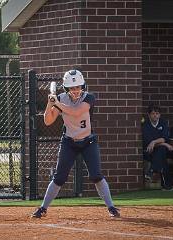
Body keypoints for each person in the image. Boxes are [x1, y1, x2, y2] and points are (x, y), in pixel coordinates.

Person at [31, 69, 120, 218]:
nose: (75, 90)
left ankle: (111, 207)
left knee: (96, 175)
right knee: (59, 177)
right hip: (69, 142)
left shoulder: (89, 98)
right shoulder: (60, 99)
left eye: (78, 87)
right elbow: (47, 121)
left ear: (82, 86)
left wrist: (57, 104)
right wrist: (50, 103)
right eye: (72, 88)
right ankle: (43, 208)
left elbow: (76, 112)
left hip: (88, 142)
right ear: (67, 88)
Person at [142, 105, 173, 191]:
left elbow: (164, 138)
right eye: (153, 113)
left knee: (161, 152)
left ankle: (151, 171)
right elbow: (148, 143)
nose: (155, 115)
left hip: (159, 152)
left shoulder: (163, 123)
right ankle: (168, 185)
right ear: (149, 115)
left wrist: (154, 142)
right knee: (162, 153)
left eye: (157, 113)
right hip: (149, 152)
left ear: (160, 115)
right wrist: (165, 144)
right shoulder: (145, 125)